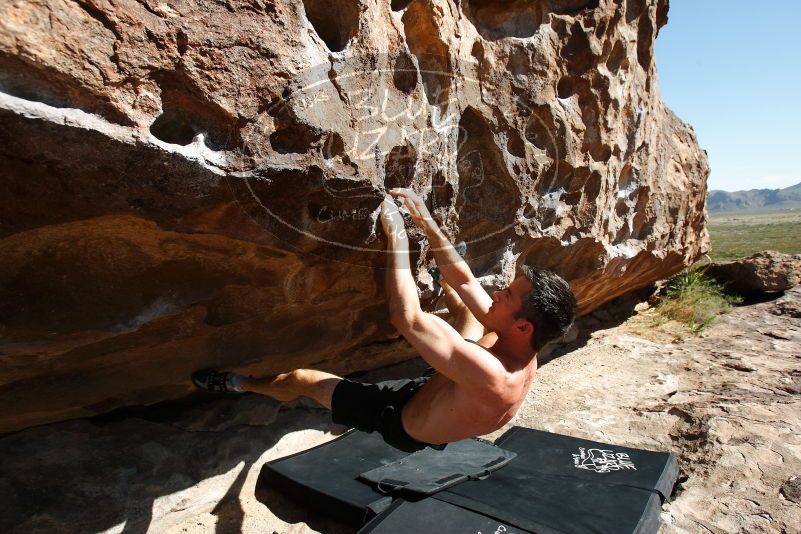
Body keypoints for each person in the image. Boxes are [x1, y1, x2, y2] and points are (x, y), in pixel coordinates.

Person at [192, 188, 576, 452]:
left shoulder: (494, 374)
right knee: (467, 308)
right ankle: (444, 295)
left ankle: (239, 384)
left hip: (401, 421)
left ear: (523, 325)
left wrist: (397, 236)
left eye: (506, 296)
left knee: (302, 380)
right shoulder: (522, 341)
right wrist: (424, 220)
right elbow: (465, 280)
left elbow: (406, 318)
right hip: (451, 388)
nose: (496, 294)